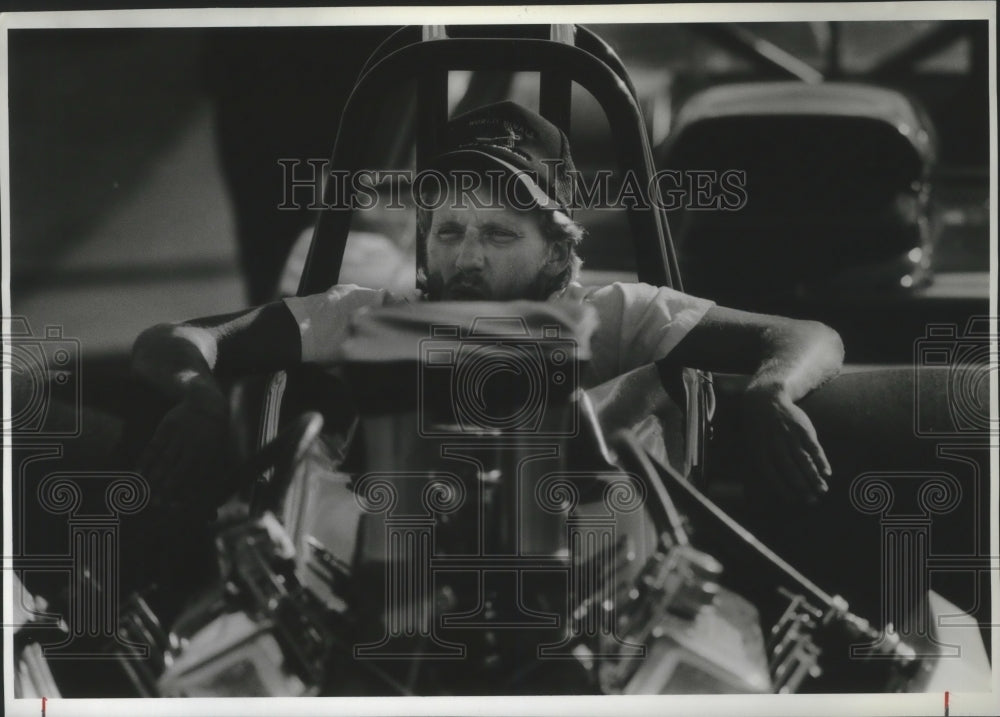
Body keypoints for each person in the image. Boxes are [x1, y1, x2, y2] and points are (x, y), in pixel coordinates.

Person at [132, 101, 844, 509]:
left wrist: (771, 390)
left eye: (499, 233)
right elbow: (178, 340)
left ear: (557, 250)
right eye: (449, 231)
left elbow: (805, 334)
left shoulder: (620, 313)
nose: (467, 257)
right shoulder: (370, 313)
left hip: (589, 581)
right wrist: (196, 396)